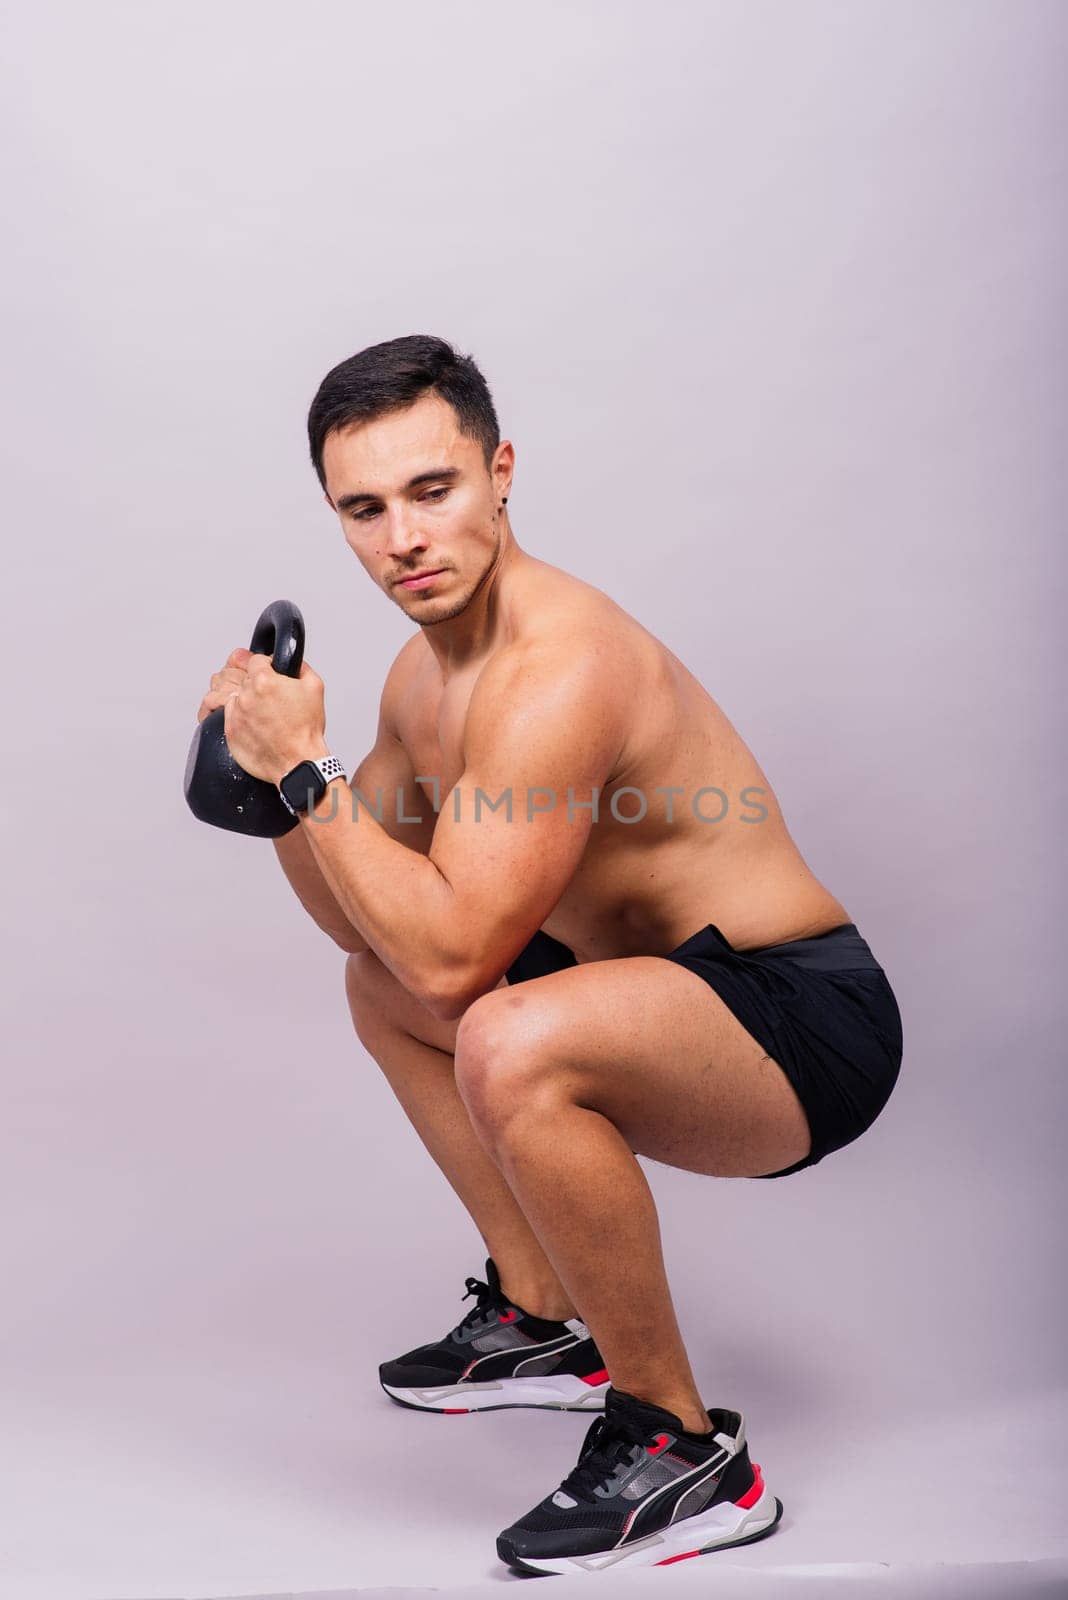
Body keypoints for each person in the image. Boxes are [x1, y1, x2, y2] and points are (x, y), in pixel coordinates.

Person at [196, 333, 903, 1575]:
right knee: (382, 992)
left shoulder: (558, 666)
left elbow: (462, 962)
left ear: (500, 472)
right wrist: (275, 790)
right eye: (364, 508)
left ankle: (685, 1453)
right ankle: (538, 1320)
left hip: (802, 1021)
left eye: (433, 489)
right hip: (651, 997)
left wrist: (309, 770)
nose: (403, 536)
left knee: (501, 1030)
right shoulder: (426, 676)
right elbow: (374, 925)